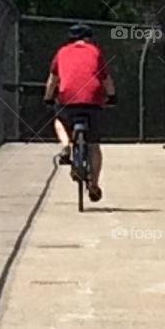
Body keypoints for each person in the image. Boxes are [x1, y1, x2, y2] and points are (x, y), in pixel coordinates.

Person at [44, 23, 115, 202]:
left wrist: (48, 98)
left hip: (68, 99)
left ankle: (66, 145)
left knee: (59, 120)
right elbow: (106, 79)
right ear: (89, 38)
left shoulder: (62, 52)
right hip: (93, 101)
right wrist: (112, 96)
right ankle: (94, 185)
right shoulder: (96, 52)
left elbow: (53, 80)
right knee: (93, 145)